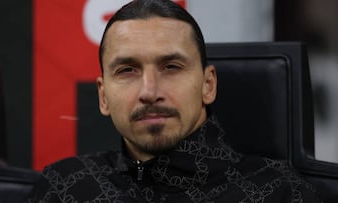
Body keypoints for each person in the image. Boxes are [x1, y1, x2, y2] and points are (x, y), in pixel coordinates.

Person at [26, 0, 322, 202]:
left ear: (208, 85)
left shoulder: (281, 194)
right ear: (103, 96)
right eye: (127, 70)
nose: (149, 91)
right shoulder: (62, 187)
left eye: (171, 67)